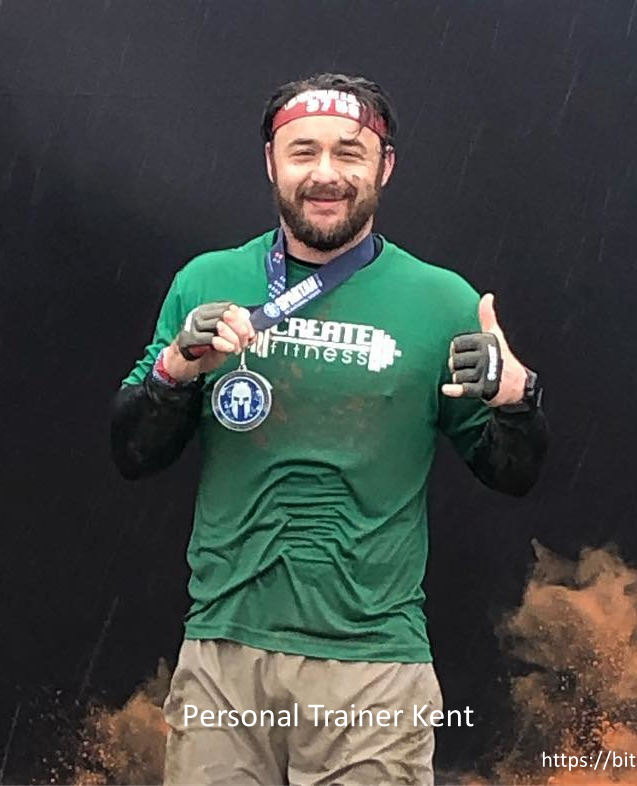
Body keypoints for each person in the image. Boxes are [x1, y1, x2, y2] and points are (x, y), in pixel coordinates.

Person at [110, 73, 549, 786]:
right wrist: (175, 370)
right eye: (302, 151)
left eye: (349, 152)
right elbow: (132, 454)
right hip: (224, 657)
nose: (325, 174)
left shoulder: (443, 301)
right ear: (270, 161)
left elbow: (514, 475)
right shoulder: (206, 283)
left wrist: (516, 397)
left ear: (385, 166)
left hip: (373, 665)